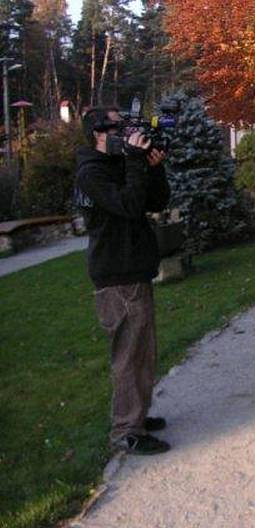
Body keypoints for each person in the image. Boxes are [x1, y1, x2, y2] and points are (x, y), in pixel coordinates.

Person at [74, 106, 171, 455]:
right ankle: (126, 431)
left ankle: (138, 417)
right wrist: (134, 161)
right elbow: (129, 206)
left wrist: (153, 168)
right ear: (99, 132)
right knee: (129, 356)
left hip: (134, 270)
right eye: (119, 127)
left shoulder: (117, 164)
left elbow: (155, 201)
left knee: (143, 352)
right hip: (117, 274)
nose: (127, 132)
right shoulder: (92, 173)